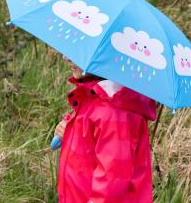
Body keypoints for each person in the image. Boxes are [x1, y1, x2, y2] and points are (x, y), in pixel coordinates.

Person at [54, 55, 156, 203]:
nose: (66, 58)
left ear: (102, 57)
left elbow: (112, 179)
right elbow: (91, 145)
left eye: (79, 53)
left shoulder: (115, 112)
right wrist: (70, 131)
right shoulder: (93, 97)